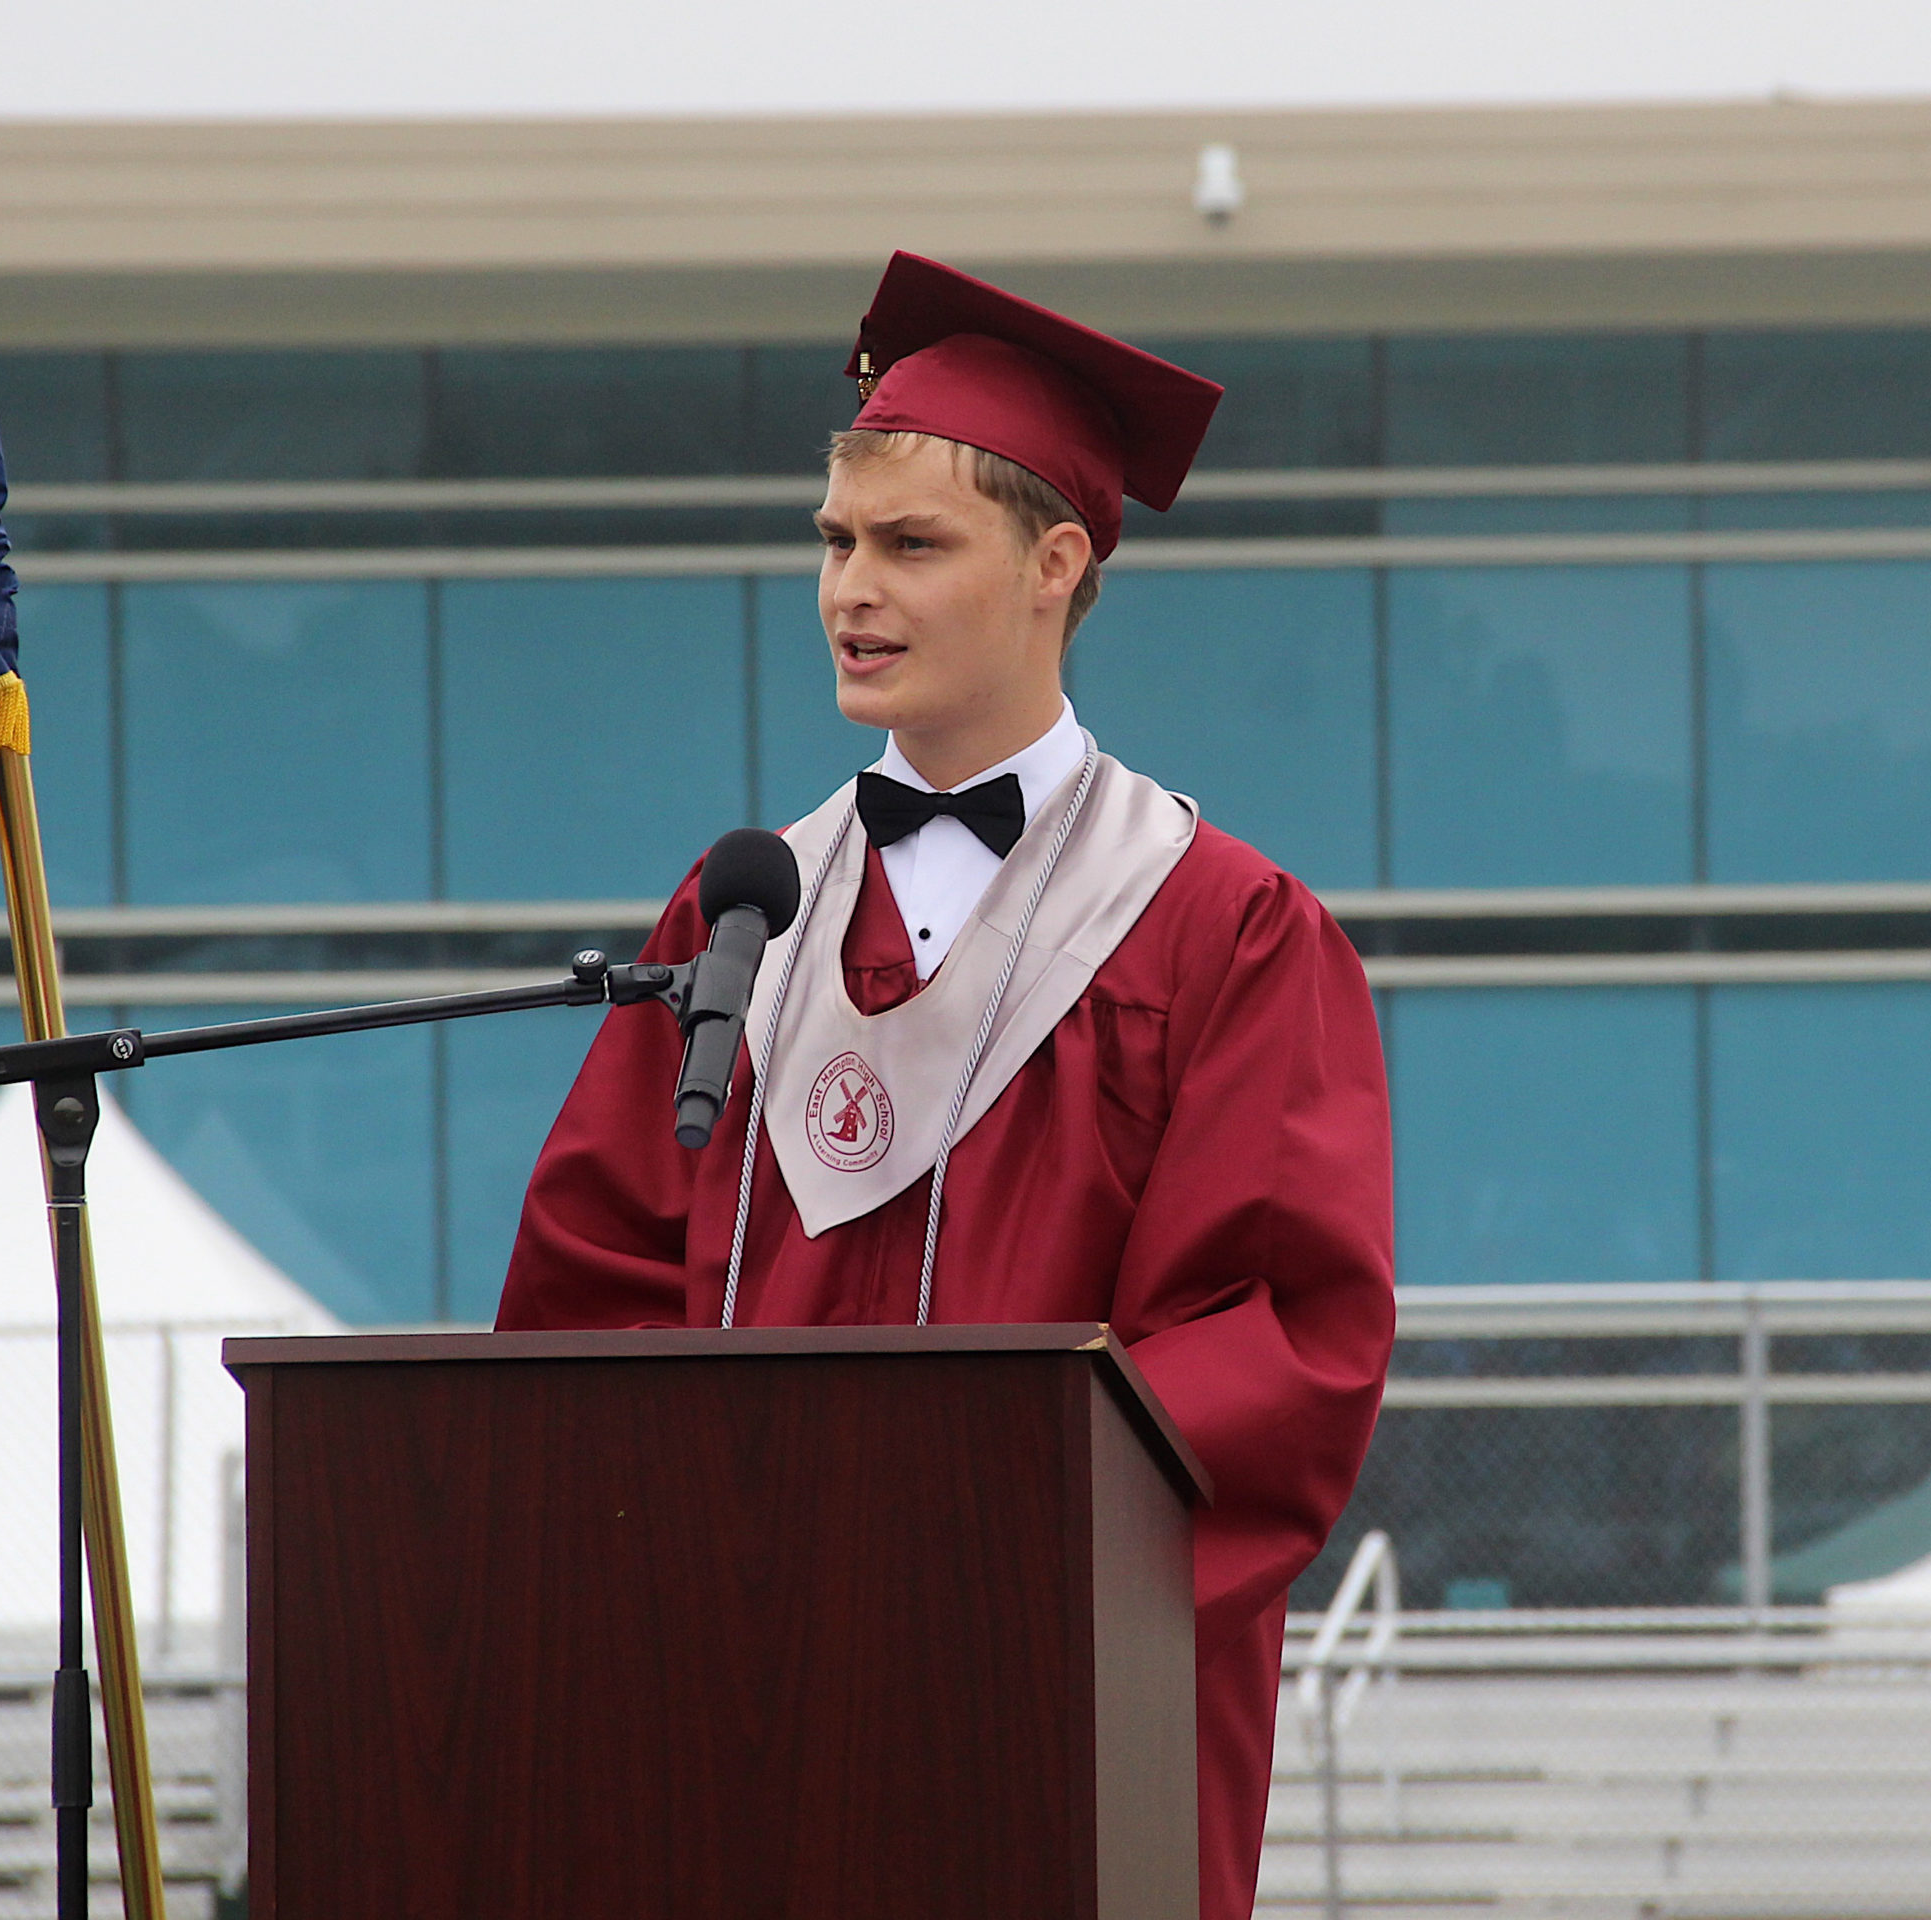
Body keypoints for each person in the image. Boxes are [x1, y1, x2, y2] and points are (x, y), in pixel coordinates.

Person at [496, 250, 1394, 1920]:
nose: (854, 587)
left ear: (1058, 564)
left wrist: (963, 1558)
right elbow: (592, 1283)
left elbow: (1278, 1338)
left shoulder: (1223, 930)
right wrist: (711, 1559)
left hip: (1048, 1692)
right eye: (837, 543)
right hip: (737, 1693)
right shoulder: (746, 908)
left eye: (914, 545)